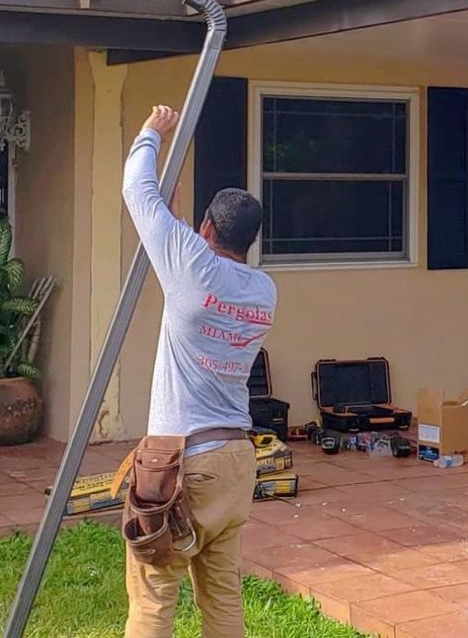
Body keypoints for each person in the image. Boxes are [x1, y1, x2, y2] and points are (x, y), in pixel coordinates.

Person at [121, 104, 277, 638]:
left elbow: (138, 194)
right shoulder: (263, 290)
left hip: (186, 463)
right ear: (250, 240)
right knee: (223, 601)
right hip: (236, 461)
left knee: (153, 593)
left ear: (206, 228)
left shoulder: (190, 262)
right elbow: (193, 252)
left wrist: (151, 133)